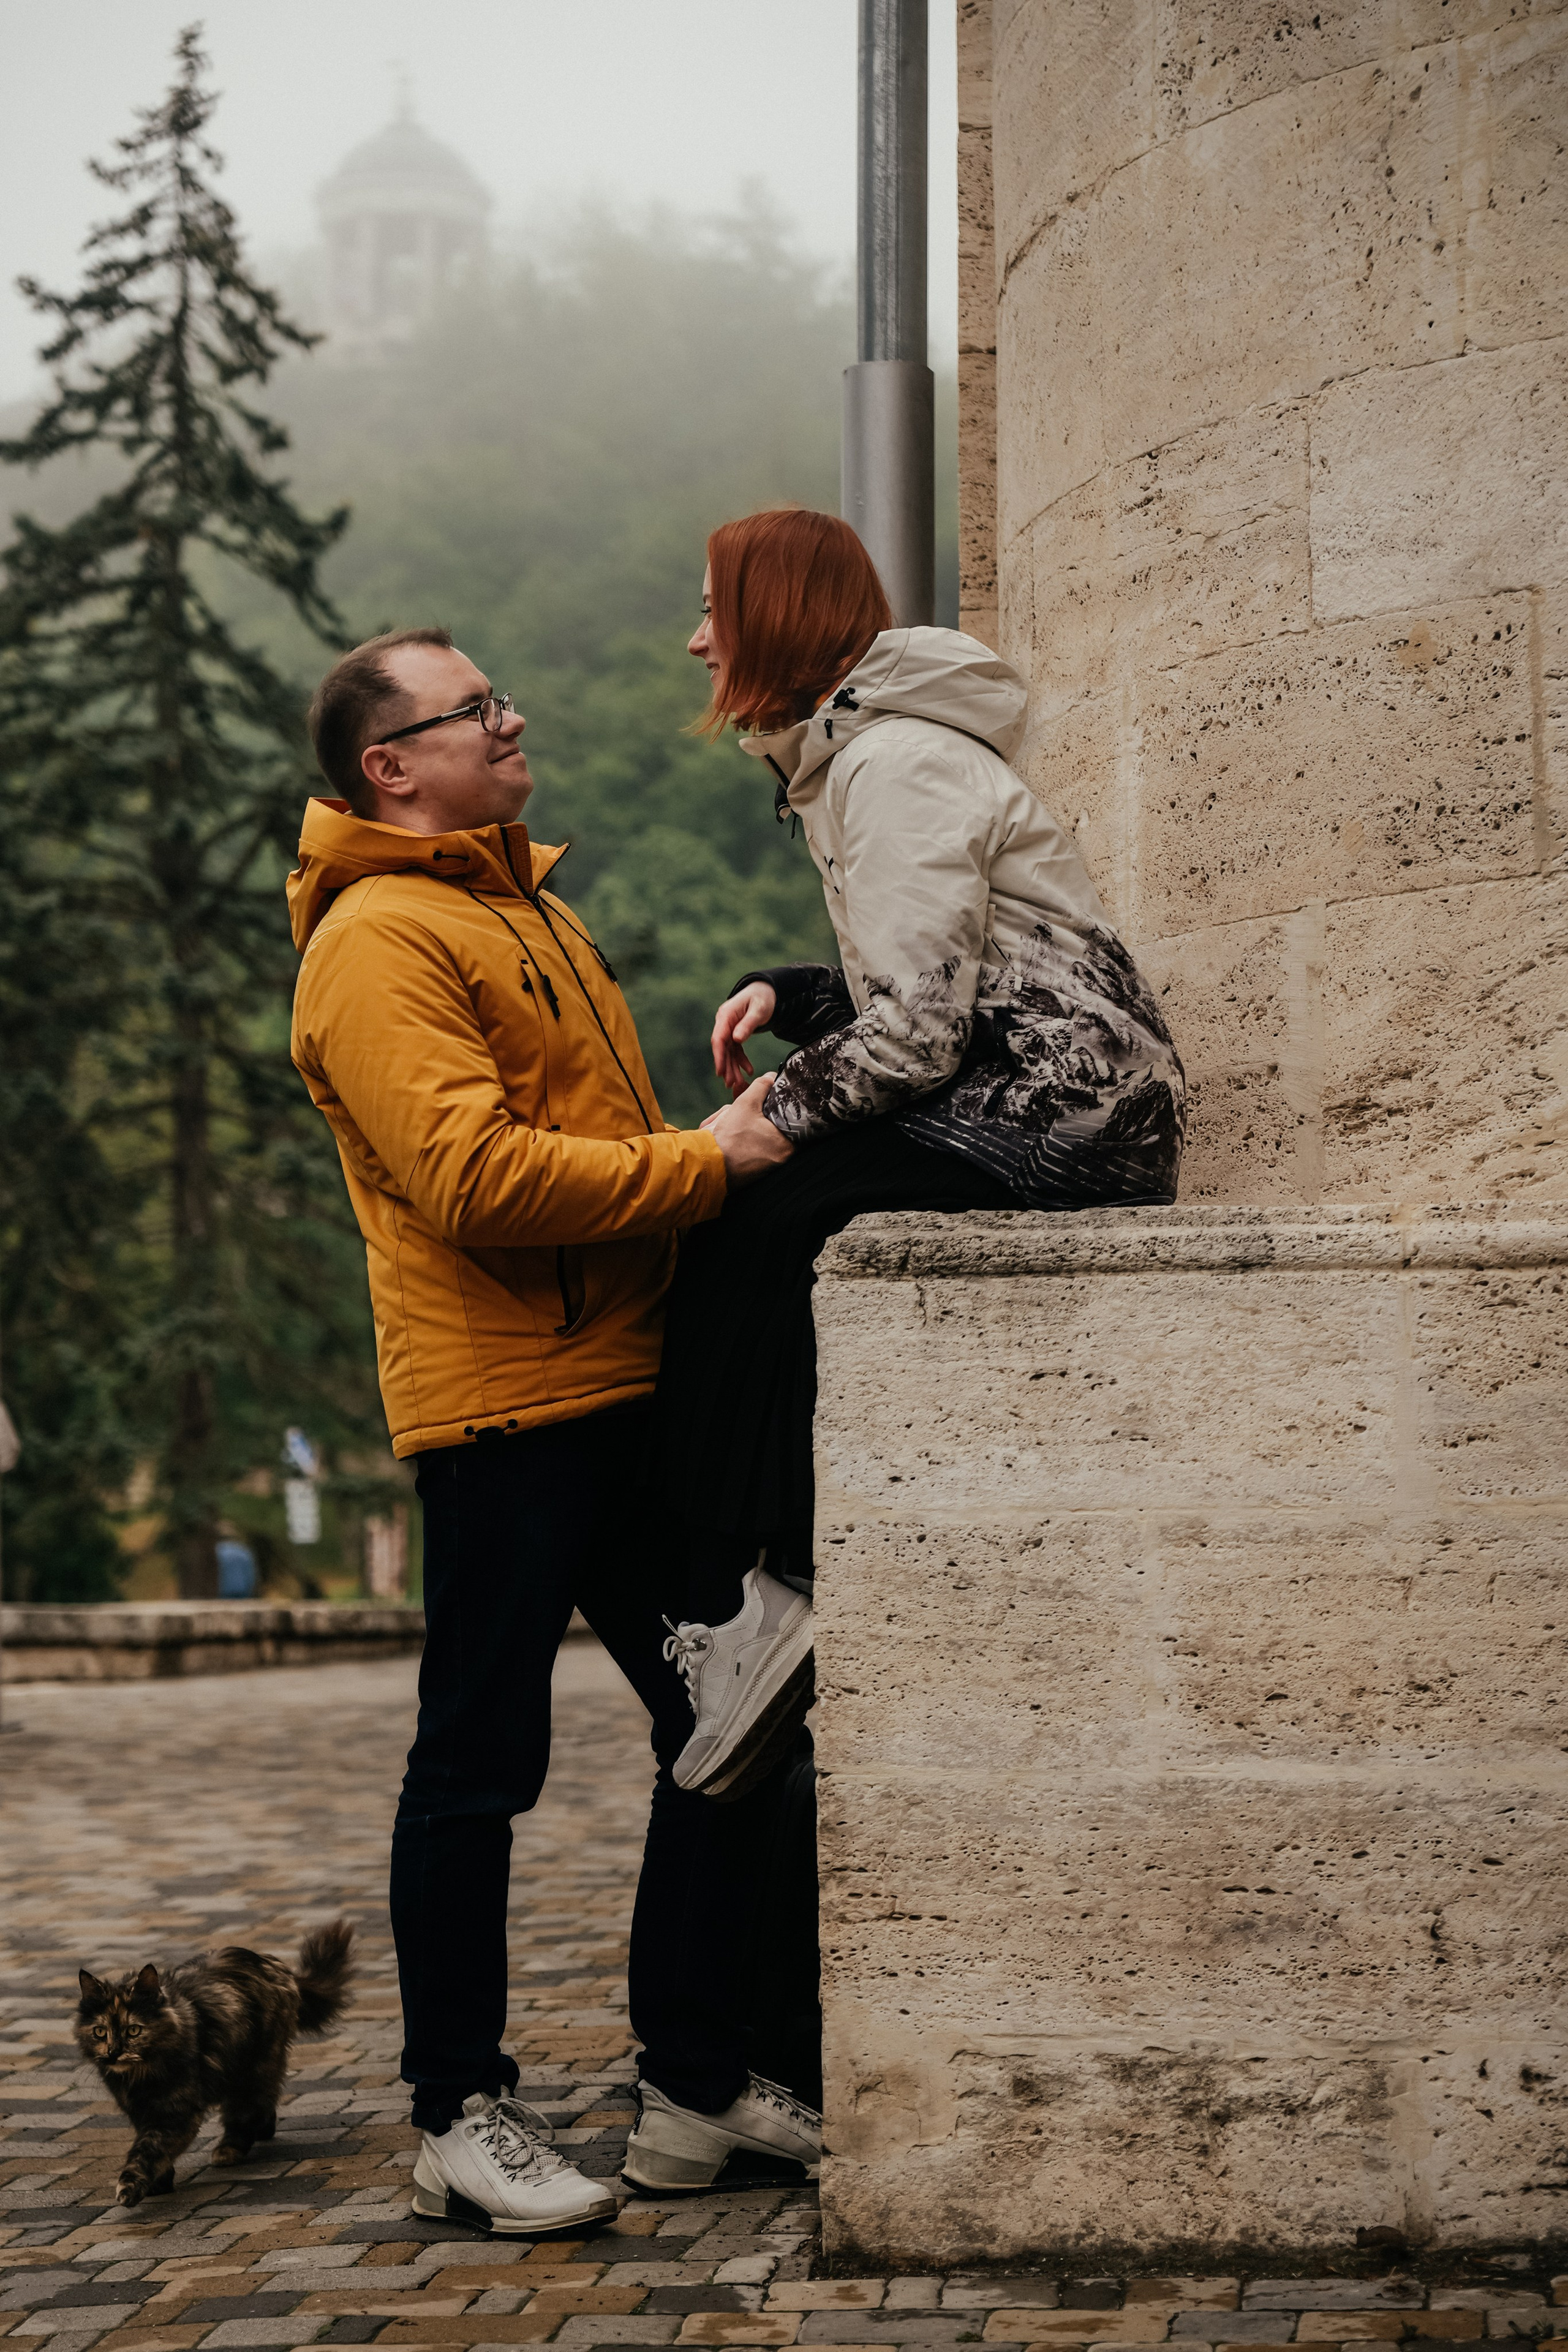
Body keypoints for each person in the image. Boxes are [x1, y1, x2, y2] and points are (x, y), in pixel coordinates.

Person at [287, 627, 821, 2231]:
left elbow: (578, 1142)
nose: (511, 719)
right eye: (476, 709)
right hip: (502, 1410)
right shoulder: (375, 941)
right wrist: (707, 1163)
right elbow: (474, 1179)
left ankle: (701, 2082)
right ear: (391, 767)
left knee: (736, 1721)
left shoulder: (522, 903)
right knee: (479, 1767)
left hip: (625, 1386)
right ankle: (456, 2114)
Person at [651, 509, 1187, 1800]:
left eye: (714, 610)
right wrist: (798, 992)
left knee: (745, 1221)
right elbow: (962, 974)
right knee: (759, 1223)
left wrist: (761, 1120)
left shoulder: (890, 763)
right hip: (1042, 1083)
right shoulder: (863, 756)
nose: (697, 642)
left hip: (1061, 1108)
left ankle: (763, 1595)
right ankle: (767, 1590)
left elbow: (918, 1036)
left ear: (774, 615)